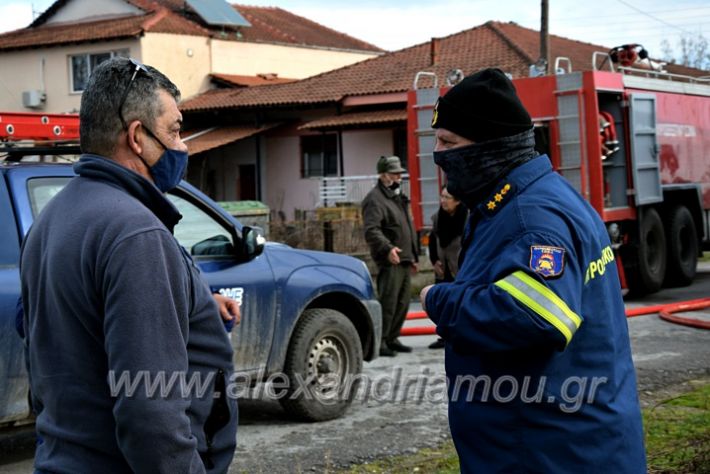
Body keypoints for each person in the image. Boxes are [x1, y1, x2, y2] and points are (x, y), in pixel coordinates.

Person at [419, 68, 646, 473]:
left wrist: (440, 299)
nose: (438, 154)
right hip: (554, 441)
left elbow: (536, 316)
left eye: (448, 142)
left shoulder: (530, 217)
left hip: (549, 451)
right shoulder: (520, 201)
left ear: (490, 146)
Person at [20, 57, 239, 473]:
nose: (183, 145)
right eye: (174, 130)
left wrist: (195, 308)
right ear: (138, 137)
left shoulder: (50, 220)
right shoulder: (137, 234)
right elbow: (151, 415)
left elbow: (53, 339)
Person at [362, 156, 419, 357]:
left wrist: (413, 255)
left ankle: (392, 337)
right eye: (395, 174)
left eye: (399, 173)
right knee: (388, 301)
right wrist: (387, 249)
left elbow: (407, 226)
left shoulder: (396, 196)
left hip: (403, 257)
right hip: (390, 258)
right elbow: (371, 230)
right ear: (383, 175)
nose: (398, 177)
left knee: (402, 303)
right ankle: (381, 341)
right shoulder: (375, 199)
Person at [427, 186, 467, 349]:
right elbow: (432, 239)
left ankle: (462, 334)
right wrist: (435, 261)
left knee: (461, 302)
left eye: (447, 197)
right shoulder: (438, 218)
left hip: (460, 267)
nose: (443, 201)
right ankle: (444, 336)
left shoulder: (467, 218)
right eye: (441, 197)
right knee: (443, 302)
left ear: (457, 201)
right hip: (443, 268)